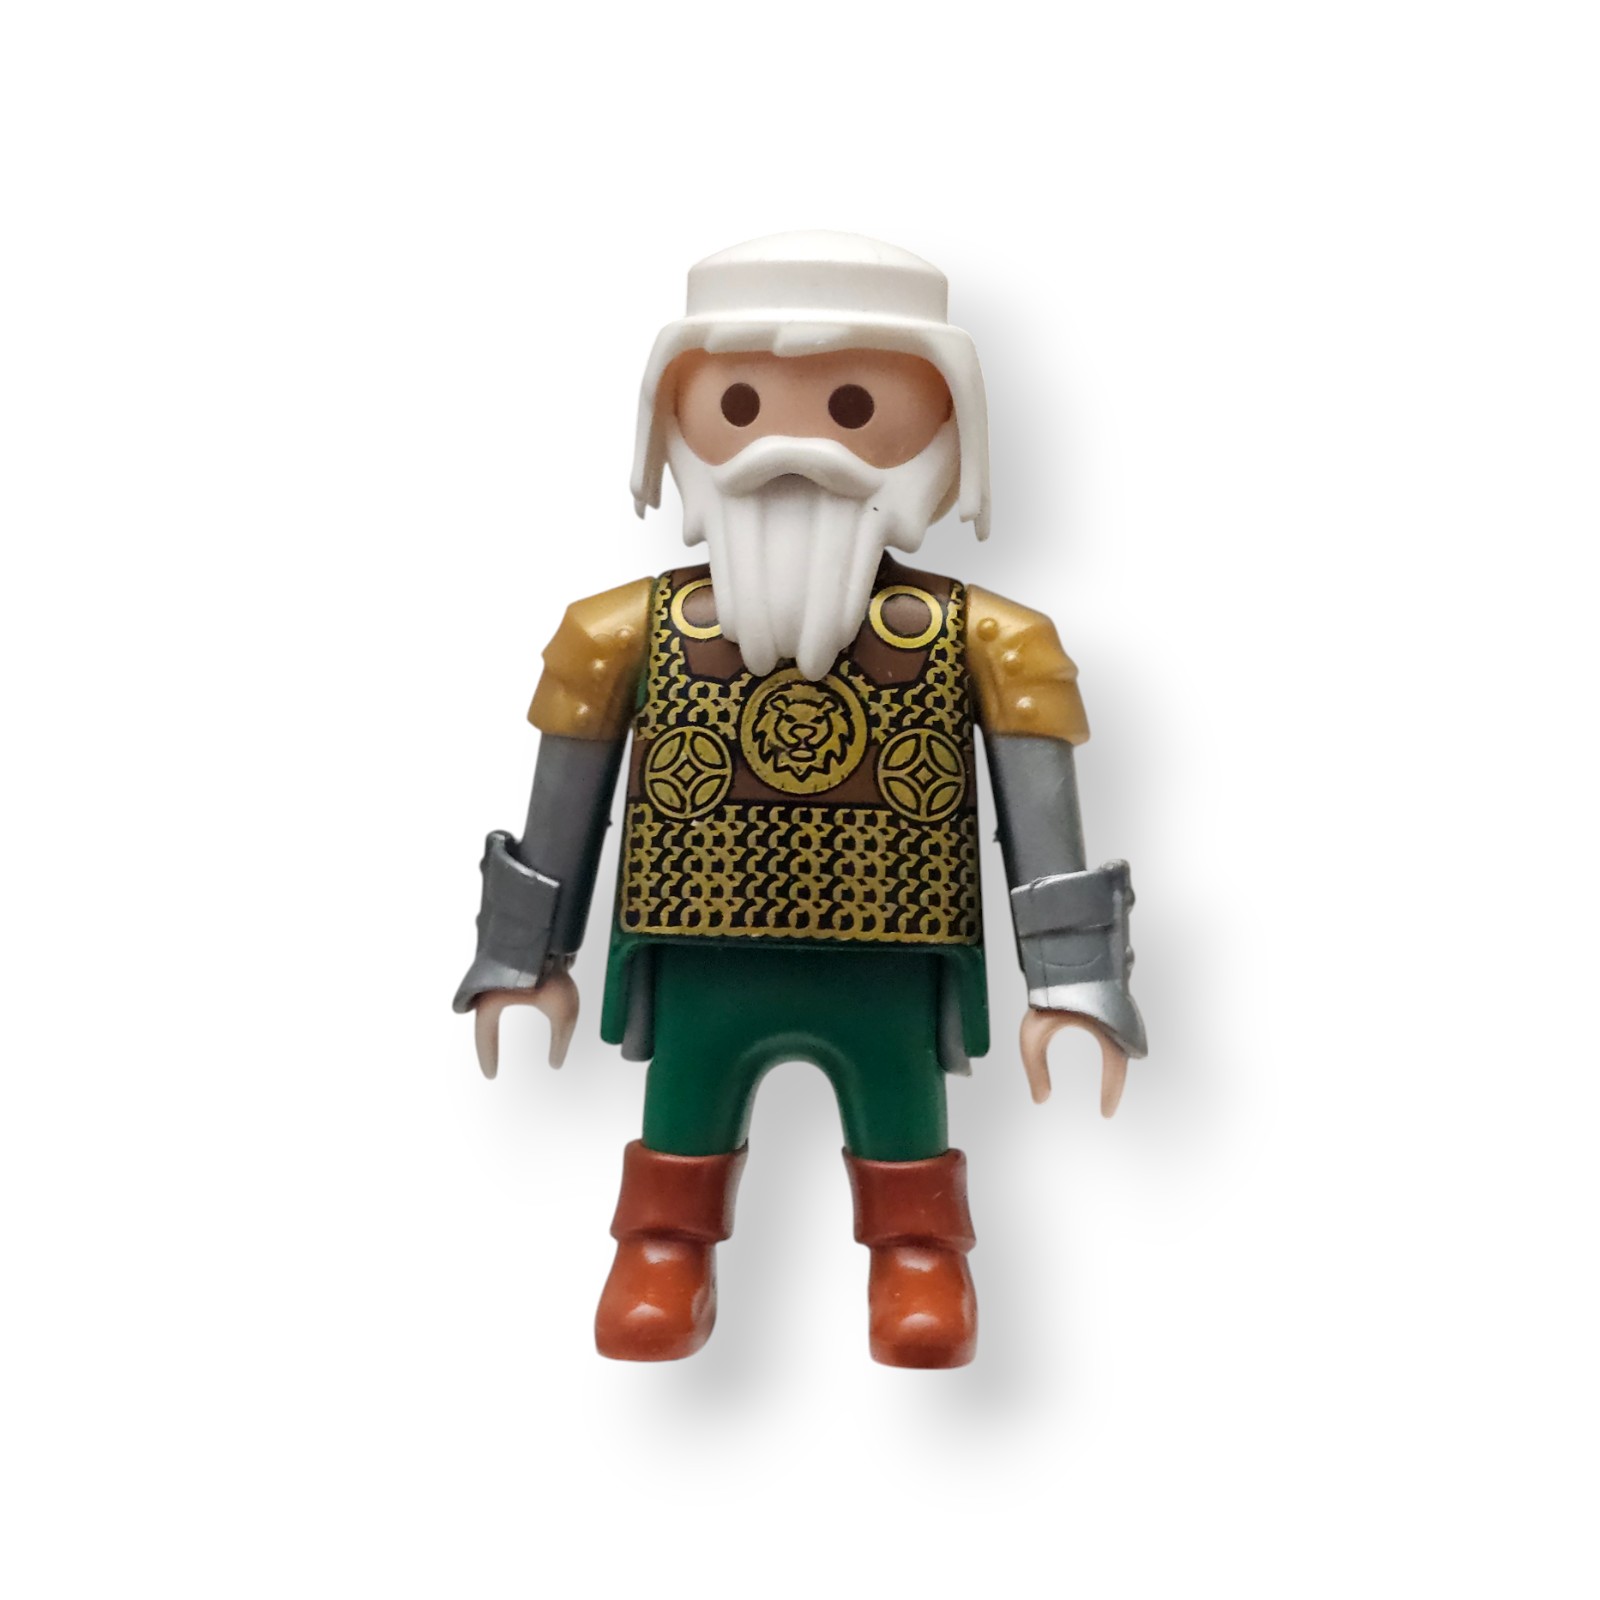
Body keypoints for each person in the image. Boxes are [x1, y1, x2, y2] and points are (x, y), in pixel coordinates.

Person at [454, 232, 1146, 1368]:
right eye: (739, 403)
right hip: (697, 937)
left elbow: (1043, 828)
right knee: (687, 1095)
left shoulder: (993, 641)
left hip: (894, 943)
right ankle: (662, 1247)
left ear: (945, 426)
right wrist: (521, 956)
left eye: (854, 406)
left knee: (898, 1103)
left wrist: (1075, 980)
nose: (794, 447)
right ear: (677, 417)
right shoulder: (618, 634)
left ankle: (919, 1255)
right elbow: (560, 811)